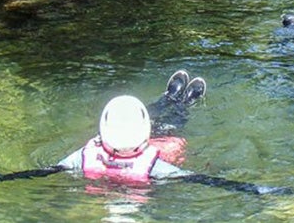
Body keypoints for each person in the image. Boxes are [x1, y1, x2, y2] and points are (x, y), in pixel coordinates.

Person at [57, 70, 207, 184]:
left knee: (142, 117)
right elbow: (191, 177)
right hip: (154, 143)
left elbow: (51, 169)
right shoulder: (154, 168)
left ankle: (169, 97)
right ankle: (186, 102)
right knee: (170, 128)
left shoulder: (83, 158)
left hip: (140, 143)